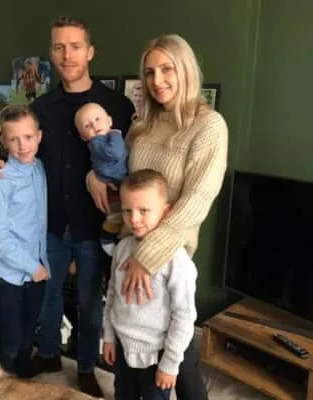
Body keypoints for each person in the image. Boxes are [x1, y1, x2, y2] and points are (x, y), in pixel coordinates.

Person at [0, 16, 134, 397]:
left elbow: (131, 167)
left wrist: (101, 178)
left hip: (93, 226)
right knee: (47, 297)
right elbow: (22, 150)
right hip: (48, 226)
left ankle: (85, 367)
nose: (67, 55)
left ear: (90, 51)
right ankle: (49, 355)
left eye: (75, 46)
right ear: (51, 53)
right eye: (59, 47)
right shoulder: (41, 108)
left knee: (89, 302)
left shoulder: (117, 105)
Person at [88, 34, 228, 400]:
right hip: (127, 245)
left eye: (167, 69)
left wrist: (147, 256)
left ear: (186, 70)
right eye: (149, 72)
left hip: (167, 255)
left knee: (176, 353)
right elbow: (122, 175)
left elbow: (197, 200)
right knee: (138, 351)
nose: (157, 80)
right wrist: (93, 177)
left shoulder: (209, 126)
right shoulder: (143, 124)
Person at [103, 169, 197, 400]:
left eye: (144, 211)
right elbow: (112, 296)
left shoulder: (177, 260)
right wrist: (109, 337)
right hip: (123, 350)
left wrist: (171, 363)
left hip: (157, 357)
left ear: (165, 212)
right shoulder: (122, 249)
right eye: (127, 210)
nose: (134, 219)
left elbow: (184, 315)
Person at [0, 105, 49, 378]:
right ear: (3, 141)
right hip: (7, 275)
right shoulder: (0, 179)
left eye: (28, 137)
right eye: (13, 139)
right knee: (11, 341)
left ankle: (20, 378)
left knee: (27, 334)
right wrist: (32, 266)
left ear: (39, 136)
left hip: (36, 272)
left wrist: (39, 266)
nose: (22, 146)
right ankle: (0, 386)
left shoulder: (39, 168)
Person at [74, 102, 128, 255]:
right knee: (116, 216)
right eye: (87, 126)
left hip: (119, 183)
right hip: (112, 186)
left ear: (109, 120)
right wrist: (116, 133)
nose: (94, 126)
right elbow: (115, 153)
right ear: (83, 136)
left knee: (123, 216)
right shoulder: (97, 142)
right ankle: (107, 239)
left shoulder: (104, 139)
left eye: (98, 119)